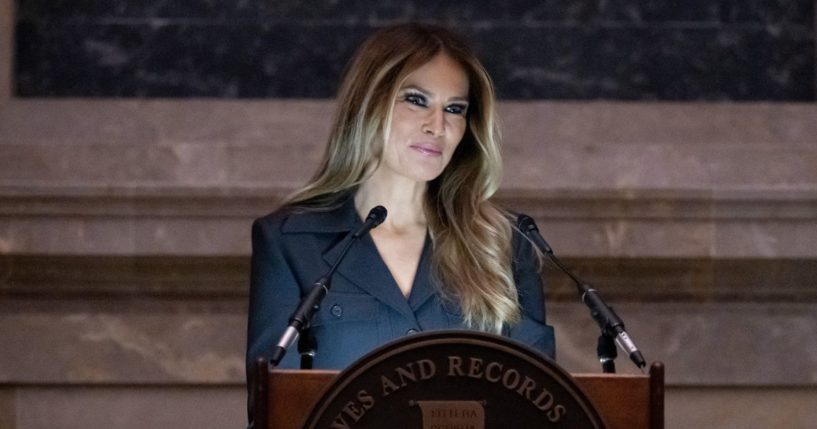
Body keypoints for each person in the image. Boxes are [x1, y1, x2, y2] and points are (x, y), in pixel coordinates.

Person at [245, 22, 555, 424]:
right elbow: (274, 412)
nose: (437, 125)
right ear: (368, 103)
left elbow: (543, 406)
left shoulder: (502, 244)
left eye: (455, 109)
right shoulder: (289, 242)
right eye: (416, 100)